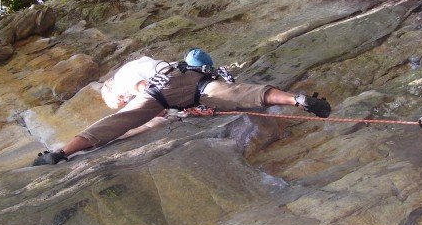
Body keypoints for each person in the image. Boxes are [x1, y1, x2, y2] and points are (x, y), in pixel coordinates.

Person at [33, 50, 331, 165]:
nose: (119, 103)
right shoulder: (143, 59)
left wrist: (162, 109)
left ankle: (60, 153)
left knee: (117, 123)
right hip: (194, 79)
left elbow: (145, 94)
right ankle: (298, 100)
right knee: (245, 94)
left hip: (161, 89)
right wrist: (187, 107)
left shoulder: (124, 78)